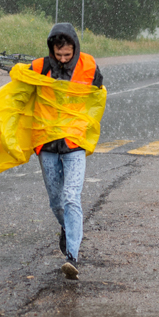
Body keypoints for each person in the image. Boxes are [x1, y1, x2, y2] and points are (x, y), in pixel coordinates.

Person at [31, 22, 104, 280]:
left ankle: (72, 256)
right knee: (56, 201)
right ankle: (66, 228)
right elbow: (22, 94)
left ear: (75, 48)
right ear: (51, 49)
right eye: (58, 54)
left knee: (71, 196)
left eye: (67, 54)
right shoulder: (39, 68)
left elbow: (97, 97)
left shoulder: (89, 67)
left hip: (74, 144)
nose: (63, 59)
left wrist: (83, 124)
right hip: (47, 145)